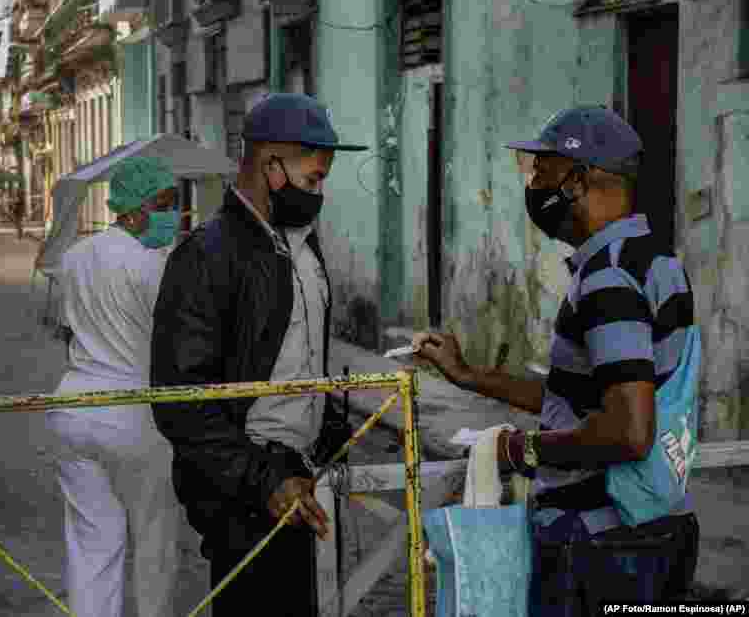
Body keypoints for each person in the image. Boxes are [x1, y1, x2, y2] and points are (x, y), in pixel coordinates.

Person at [410, 106, 700, 612]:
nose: (533, 188)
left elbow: (628, 431)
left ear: (577, 181)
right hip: (651, 526)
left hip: (602, 541)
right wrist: (469, 376)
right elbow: (588, 397)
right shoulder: (654, 259)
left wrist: (522, 450)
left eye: (542, 174)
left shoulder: (608, 278)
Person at [149, 93, 368, 617]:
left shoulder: (303, 248)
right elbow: (180, 399)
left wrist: (328, 429)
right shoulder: (206, 255)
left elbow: (301, 357)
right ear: (272, 167)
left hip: (303, 475)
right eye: (313, 179)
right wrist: (260, 479)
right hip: (246, 491)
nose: (319, 193)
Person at [45, 157, 183, 617]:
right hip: (135, 412)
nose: (174, 214)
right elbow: (176, 343)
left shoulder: (74, 258)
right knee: (153, 539)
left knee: (92, 543)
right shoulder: (154, 266)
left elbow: (64, 330)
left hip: (73, 408)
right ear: (135, 209)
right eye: (164, 205)